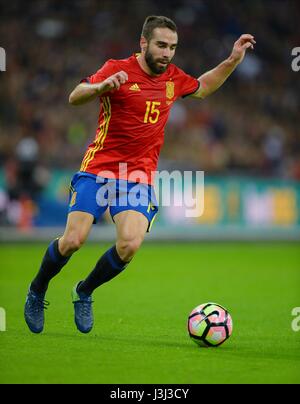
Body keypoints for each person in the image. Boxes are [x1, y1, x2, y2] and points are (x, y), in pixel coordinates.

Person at [24, 15, 255, 334]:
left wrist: (232, 60)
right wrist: (100, 87)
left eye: (173, 47)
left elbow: (203, 88)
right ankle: (37, 290)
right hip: (98, 169)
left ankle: (84, 291)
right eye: (161, 45)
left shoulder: (173, 78)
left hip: (137, 178)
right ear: (144, 43)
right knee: (73, 241)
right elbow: (74, 96)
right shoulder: (116, 68)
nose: (167, 53)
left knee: (129, 245)